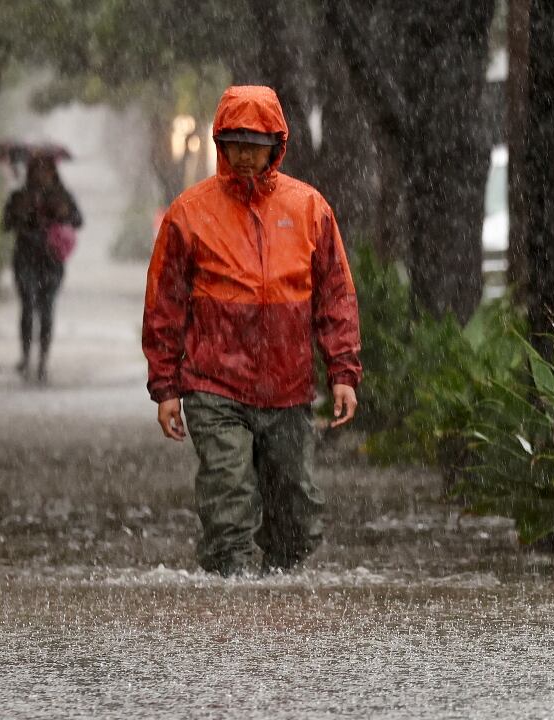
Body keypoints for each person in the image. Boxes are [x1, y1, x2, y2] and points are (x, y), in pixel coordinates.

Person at [142, 85, 362, 577]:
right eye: (235, 143)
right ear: (220, 143)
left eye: (255, 144)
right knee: (227, 502)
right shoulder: (189, 213)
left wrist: (342, 371)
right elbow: (165, 304)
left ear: (276, 146)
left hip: (288, 389)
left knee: (298, 515)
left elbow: (335, 295)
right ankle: (233, 598)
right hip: (213, 386)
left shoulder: (309, 209)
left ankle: (274, 587)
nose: (244, 155)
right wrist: (166, 388)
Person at [3, 156, 82, 382]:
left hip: (51, 262)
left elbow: (77, 220)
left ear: (52, 171)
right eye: (36, 169)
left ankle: (43, 360)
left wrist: (63, 212)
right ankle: (26, 356)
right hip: (25, 258)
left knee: (47, 309)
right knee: (27, 305)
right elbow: (6, 223)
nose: (41, 174)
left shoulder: (62, 195)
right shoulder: (19, 196)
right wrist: (19, 212)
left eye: (45, 169)